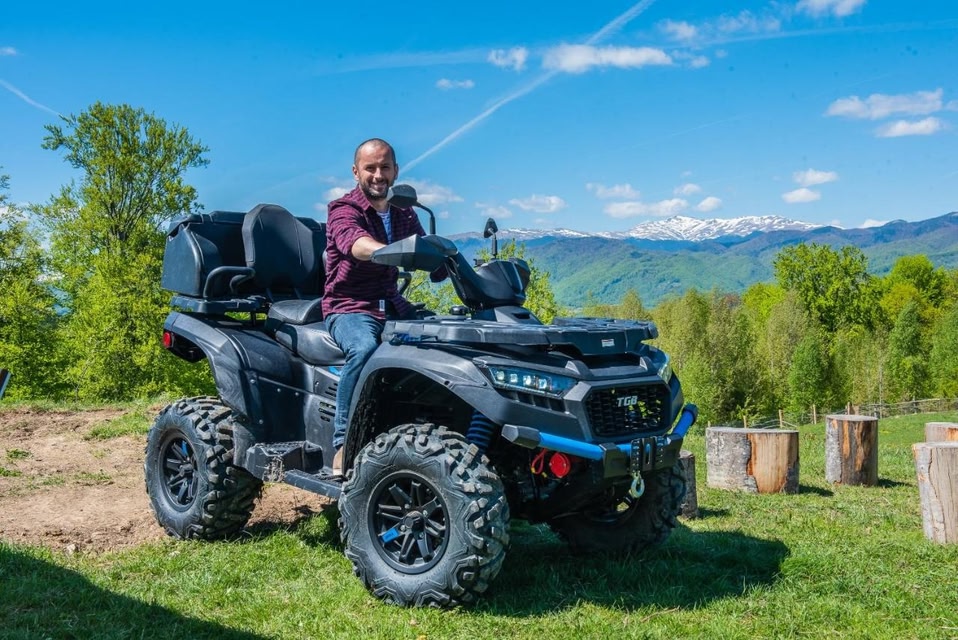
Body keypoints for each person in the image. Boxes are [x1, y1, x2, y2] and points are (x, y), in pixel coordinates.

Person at [323, 138, 444, 476]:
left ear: (396, 171)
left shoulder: (404, 211)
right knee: (363, 349)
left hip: (392, 304)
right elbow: (354, 243)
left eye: (385, 167)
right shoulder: (343, 209)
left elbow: (425, 248)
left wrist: (448, 264)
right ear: (356, 171)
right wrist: (386, 251)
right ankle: (343, 443)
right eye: (370, 168)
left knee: (441, 340)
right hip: (350, 306)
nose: (378, 175)